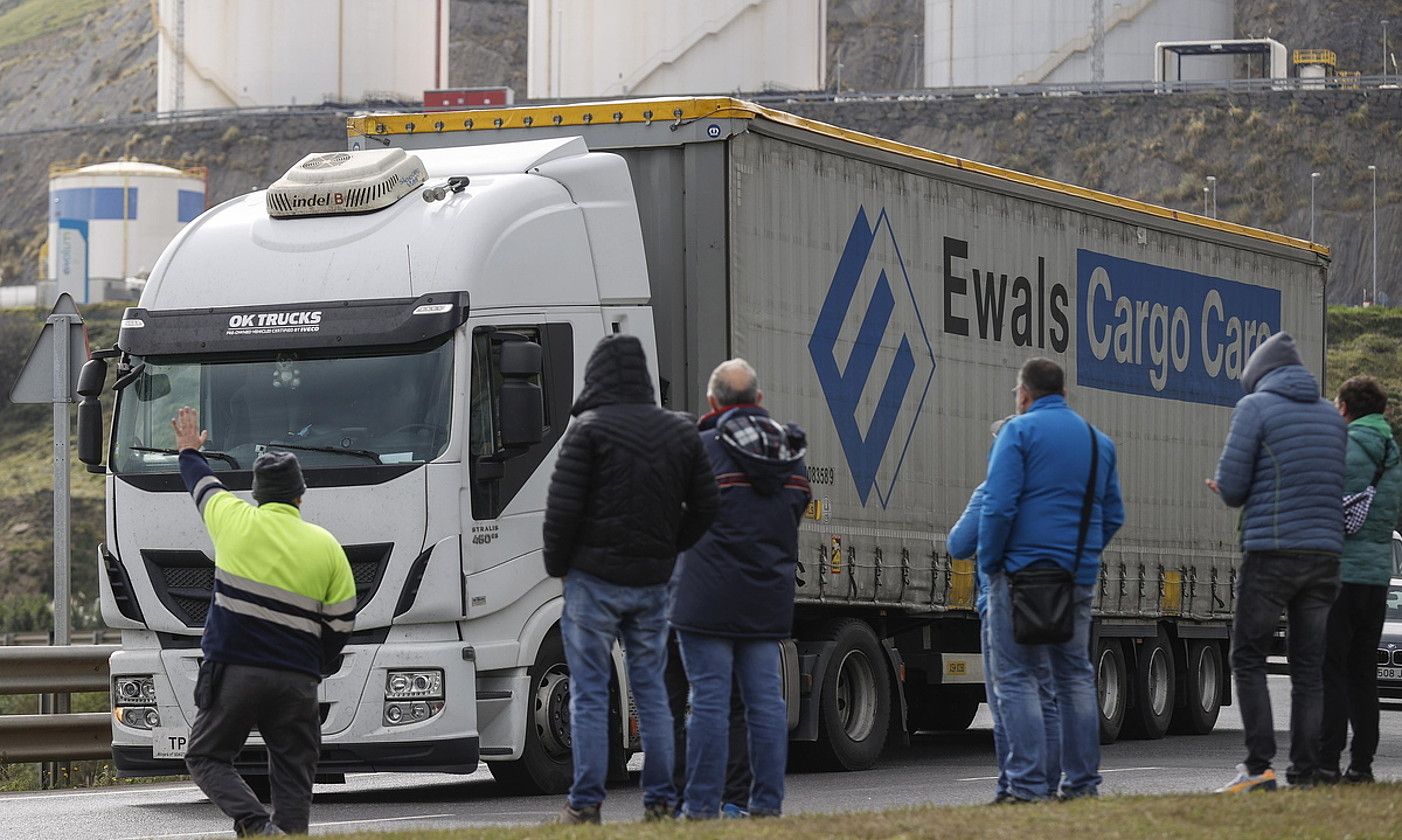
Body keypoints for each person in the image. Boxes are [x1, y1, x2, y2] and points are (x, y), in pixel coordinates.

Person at [542, 335, 719, 824]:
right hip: (651, 582)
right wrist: (671, 545)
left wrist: (559, 566)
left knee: (590, 692)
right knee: (653, 693)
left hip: (591, 582)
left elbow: (562, 512)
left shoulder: (588, 433)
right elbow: (707, 505)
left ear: (596, 377)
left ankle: (585, 805)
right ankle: (660, 801)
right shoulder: (682, 434)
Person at [172, 407, 356, 836]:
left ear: (256, 493)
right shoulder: (326, 545)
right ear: (299, 495)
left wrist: (187, 449)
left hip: (235, 673)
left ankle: (256, 825)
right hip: (297, 679)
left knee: (205, 756)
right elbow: (342, 621)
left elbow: (201, 484)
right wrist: (316, 662)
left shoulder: (232, 520)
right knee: (294, 773)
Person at [668, 359, 810, 819]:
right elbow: (794, 513)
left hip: (704, 600)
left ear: (713, 403)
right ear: (760, 400)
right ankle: (765, 807)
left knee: (707, 703)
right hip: (766, 600)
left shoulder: (699, 450)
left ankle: (703, 809)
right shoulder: (791, 455)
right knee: (765, 704)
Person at [977, 358, 1124, 802]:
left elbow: (998, 506)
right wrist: (1081, 558)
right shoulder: (1101, 444)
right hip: (1075, 579)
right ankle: (1082, 785)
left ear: (1024, 394)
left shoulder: (1018, 434)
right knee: (1075, 676)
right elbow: (1114, 514)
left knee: (1017, 678)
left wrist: (991, 561)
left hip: (1019, 577)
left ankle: (1025, 788)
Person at [1208, 332, 1346, 792]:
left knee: (1248, 657)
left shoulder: (1255, 409)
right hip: (1325, 557)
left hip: (1272, 553)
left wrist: (1227, 488)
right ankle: (1305, 774)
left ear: (1259, 375)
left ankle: (1258, 768)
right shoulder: (1331, 416)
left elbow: (1232, 487)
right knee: (1308, 667)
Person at [947, 415, 1060, 804]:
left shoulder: (992, 490)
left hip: (1002, 598)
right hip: (1050, 596)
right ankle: (1047, 785)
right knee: (1045, 691)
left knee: (1008, 695)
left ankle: (1014, 786)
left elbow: (959, 543)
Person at [1318, 376, 1401, 784]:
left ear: (1346, 408)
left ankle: (1328, 760)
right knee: (1363, 675)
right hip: (1377, 579)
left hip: (1339, 576)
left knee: (1330, 669)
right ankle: (1362, 765)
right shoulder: (1393, 453)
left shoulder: (1342, 447)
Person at [664, 631, 753, 817]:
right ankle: (734, 802)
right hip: (720, 623)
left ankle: (676, 802)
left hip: (670, 620)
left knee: (670, 712)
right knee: (731, 707)